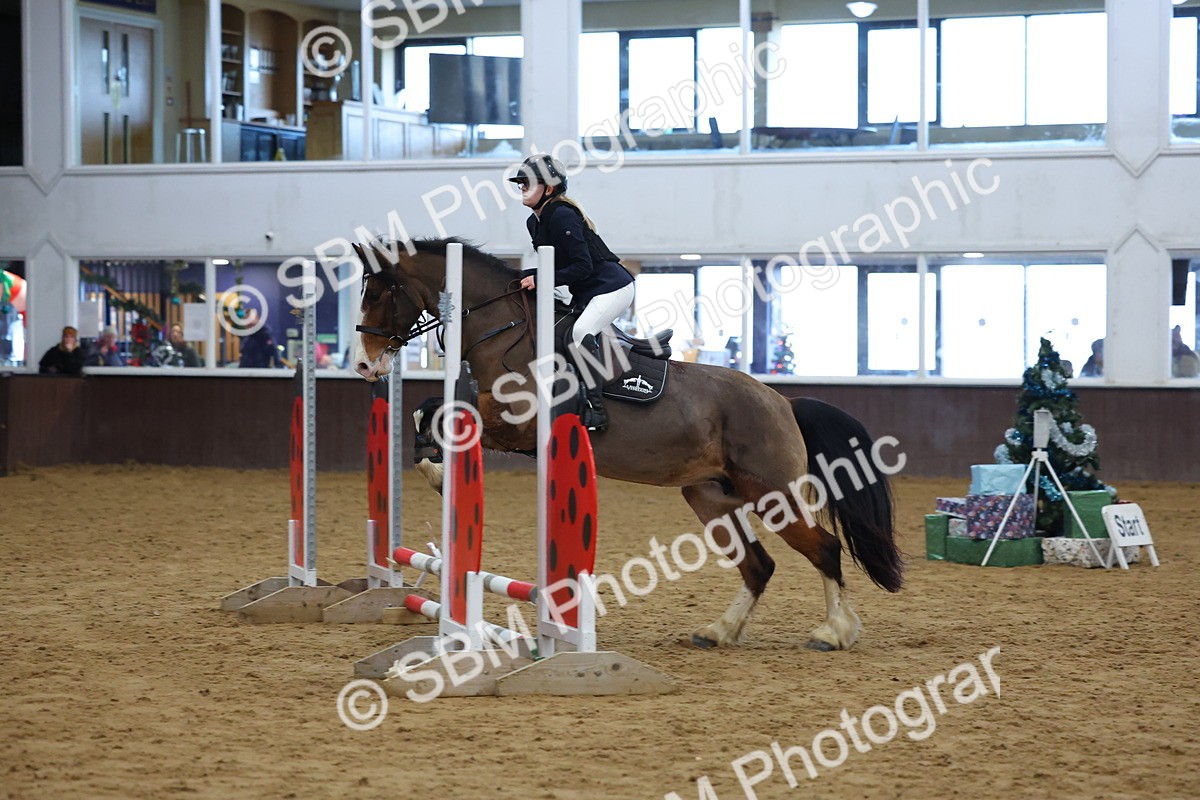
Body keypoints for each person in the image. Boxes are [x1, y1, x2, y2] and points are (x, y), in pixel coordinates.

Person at [508, 154, 635, 431]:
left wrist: (539, 277)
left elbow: (582, 266)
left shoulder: (562, 215)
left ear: (549, 189)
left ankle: (596, 409)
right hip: (587, 292)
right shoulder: (535, 222)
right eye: (521, 184)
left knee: (580, 333)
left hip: (612, 287)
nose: (522, 188)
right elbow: (553, 269)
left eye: (528, 183)